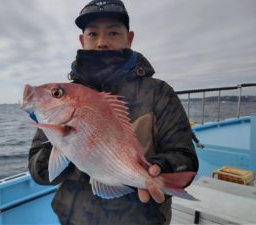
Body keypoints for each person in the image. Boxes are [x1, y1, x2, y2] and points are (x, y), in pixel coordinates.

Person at [28, 0, 199, 224]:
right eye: (92, 34)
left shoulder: (159, 93)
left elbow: (184, 159)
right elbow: (38, 172)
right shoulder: (66, 101)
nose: (101, 42)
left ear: (129, 38)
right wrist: (67, 143)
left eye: (113, 32)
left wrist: (156, 170)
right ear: (82, 40)